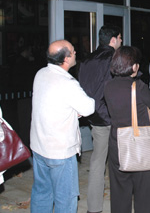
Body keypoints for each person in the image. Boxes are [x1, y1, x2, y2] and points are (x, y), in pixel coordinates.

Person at [30, 40, 95, 213]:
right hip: (60, 151)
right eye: (73, 52)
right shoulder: (67, 82)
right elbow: (89, 107)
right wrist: (77, 108)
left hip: (39, 146)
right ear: (66, 58)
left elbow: (52, 103)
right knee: (65, 198)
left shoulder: (41, 74)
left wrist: (73, 109)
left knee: (41, 193)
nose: (76, 54)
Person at [104, 46, 150, 213]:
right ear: (133, 66)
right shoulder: (139, 87)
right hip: (140, 143)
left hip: (117, 143)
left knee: (119, 188)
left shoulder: (108, 86)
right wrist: (147, 108)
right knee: (144, 190)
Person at [78, 25, 122, 213]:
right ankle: (121, 203)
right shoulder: (113, 58)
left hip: (93, 116)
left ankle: (93, 208)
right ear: (113, 40)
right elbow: (114, 88)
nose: (121, 41)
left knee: (97, 160)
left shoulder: (87, 59)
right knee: (120, 162)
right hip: (110, 116)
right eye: (120, 38)